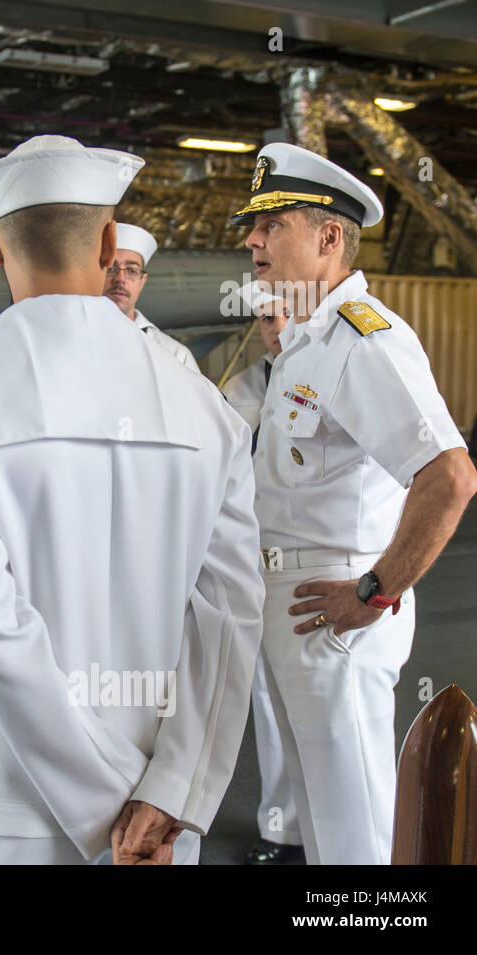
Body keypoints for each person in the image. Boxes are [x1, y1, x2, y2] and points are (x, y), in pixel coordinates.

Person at [0, 135, 265, 865]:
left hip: (9, 797)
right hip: (155, 816)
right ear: (110, 243)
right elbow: (231, 614)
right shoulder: (205, 407)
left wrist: (96, 799)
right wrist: (165, 792)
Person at [232, 142, 477, 865]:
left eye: (272, 224)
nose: (253, 239)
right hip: (296, 603)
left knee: (357, 828)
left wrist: (374, 591)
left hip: (333, 611)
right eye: (255, 225)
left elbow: (452, 476)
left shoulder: (363, 339)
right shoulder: (304, 344)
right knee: (322, 819)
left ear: (329, 238)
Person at [220, 283, 304, 864]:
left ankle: (331, 827)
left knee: (320, 702)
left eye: (283, 315)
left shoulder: (330, 380)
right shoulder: (238, 391)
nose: (275, 327)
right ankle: (281, 826)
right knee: (267, 700)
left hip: (316, 561)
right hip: (252, 560)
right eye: (265, 319)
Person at [103, 223, 200, 372]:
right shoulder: (72, 341)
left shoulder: (175, 355)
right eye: (111, 269)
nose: (120, 278)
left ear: (142, 281)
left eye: (132, 271)